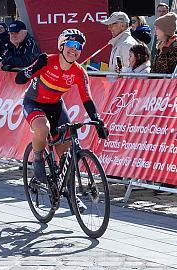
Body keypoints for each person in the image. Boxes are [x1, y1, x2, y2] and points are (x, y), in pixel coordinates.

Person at [15, 29, 109, 186]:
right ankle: (37, 159)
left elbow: (87, 99)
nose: (74, 49)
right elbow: (19, 80)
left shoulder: (79, 72)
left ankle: (68, 191)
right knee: (43, 128)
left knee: (66, 154)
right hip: (34, 103)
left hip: (55, 106)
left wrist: (97, 120)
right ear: (61, 46)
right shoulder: (47, 61)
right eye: (71, 44)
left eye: (78, 46)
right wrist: (35, 67)